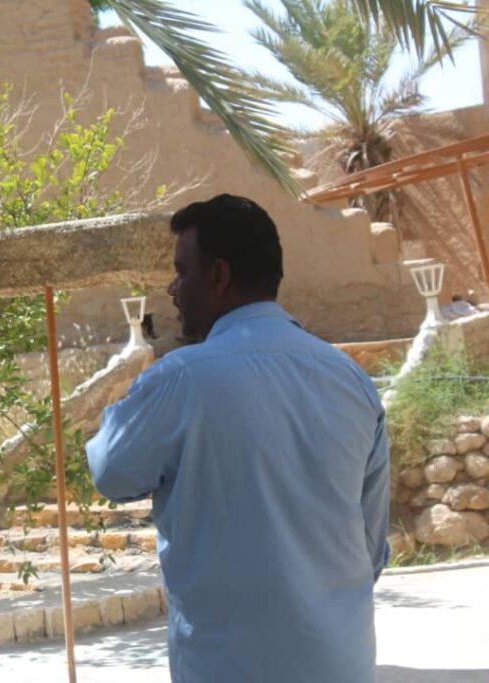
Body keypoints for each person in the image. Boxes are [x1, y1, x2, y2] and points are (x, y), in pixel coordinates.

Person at [86, 195, 389, 683]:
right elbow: (369, 544)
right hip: (341, 664)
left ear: (218, 275)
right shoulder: (350, 379)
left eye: (181, 272)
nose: (172, 288)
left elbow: (111, 471)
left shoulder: (181, 379)